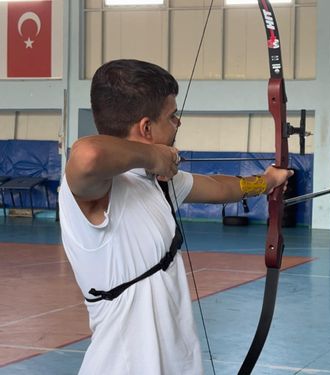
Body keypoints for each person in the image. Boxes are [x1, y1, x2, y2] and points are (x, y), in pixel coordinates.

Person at [59, 59, 291, 374]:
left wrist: (265, 182)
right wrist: (153, 155)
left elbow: (220, 188)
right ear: (146, 128)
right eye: (172, 115)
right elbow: (88, 155)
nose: (178, 123)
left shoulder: (160, 182)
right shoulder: (99, 192)